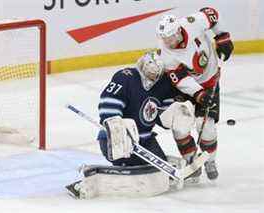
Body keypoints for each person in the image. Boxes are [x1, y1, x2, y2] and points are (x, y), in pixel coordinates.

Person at [66, 51, 198, 199]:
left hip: (145, 141)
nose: (151, 76)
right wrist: (116, 126)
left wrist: (177, 113)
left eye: (155, 74)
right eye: (149, 71)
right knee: (140, 174)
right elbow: (109, 101)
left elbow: (162, 117)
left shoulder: (163, 85)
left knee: (158, 173)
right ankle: (89, 183)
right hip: (115, 140)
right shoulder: (125, 77)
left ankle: (131, 168)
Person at [156, 7, 234, 180]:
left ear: (178, 32)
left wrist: (222, 37)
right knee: (180, 127)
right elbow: (181, 80)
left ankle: (210, 160)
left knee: (206, 127)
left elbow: (211, 13)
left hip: (210, 80)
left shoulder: (192, 23)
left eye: (170, 38)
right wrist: (199, 94)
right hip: (186, 89)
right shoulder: (166, 55)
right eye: (164, 39)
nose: (167, 42)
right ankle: (191, 162)